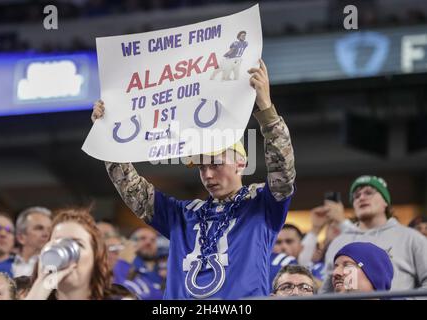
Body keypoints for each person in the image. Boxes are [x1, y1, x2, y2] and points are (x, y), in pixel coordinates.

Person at [92, 59, 296, 299]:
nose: (207, 175)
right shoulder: (183, 214)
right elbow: (131, 188)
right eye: (201, 167)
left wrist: (266, 109)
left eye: (216, 164)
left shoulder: (261, 204)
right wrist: (107, 135)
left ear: (241, 163)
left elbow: (283, 169)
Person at [320, 175, 427, 293]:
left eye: (369, 193)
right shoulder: (338, 241)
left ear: (385, 201)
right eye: (356, 196)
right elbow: (328, 288)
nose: (361, 198)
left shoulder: (412, 238)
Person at [25, 207, 113, 300]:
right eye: (58, 243)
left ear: (95, 258)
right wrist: (41, 287)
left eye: (78, 244)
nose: (66, 251)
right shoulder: (19, 292)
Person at [0, 207, 52, 278]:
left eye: (49, 229)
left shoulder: (56, 267)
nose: (46, 234)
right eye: (39, 228)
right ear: (21, 237)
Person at [112, 227, 164, 300]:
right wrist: (122, 262)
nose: (148, 242)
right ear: (131, 243)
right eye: (143, 238)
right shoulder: (123, 266)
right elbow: (117, 292)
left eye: (153, 240)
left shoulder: (164, 268)